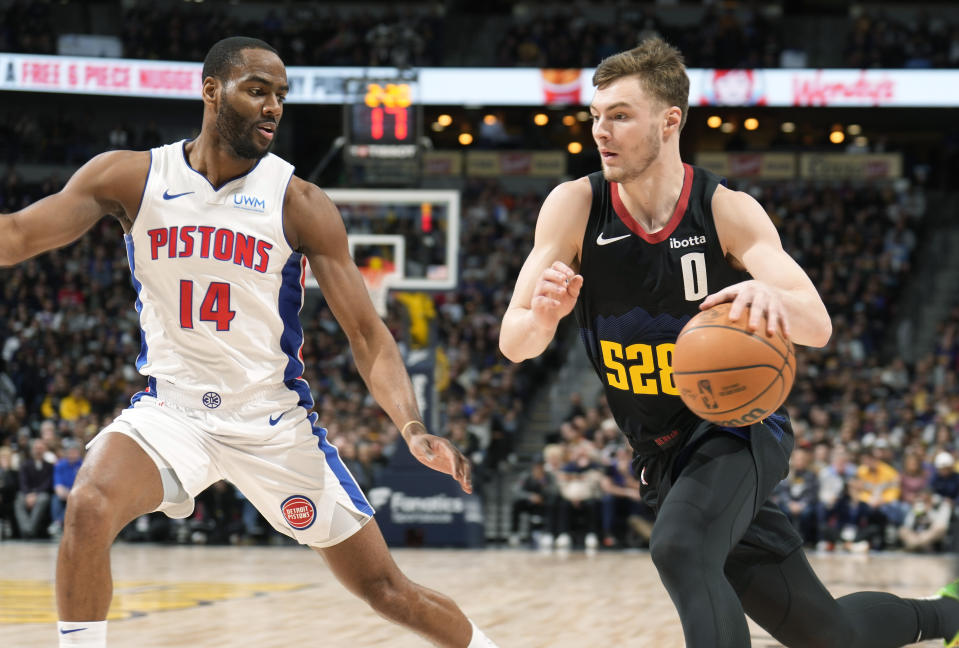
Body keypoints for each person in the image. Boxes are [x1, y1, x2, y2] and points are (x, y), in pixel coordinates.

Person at [0, 37, 496, 648]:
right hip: (173, 412)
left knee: (387, 592)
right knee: (89, 503)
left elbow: (367, 334)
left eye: (280, 96)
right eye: (256, 90)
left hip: (271, 423)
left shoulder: (301, 203)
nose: (272, 107)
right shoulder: (130, 177)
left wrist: (412, 425)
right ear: (211, 90)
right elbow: (17, 237)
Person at [499, 36, 959, 648]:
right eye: (596, 117)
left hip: (740, 427)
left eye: (620, 115)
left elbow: (816, 325)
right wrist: (546, 316)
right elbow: (514, 342)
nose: (600, 132)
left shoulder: (725, 209)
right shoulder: (574, 205)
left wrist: (771, 299)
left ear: (670, 121)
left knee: (681, 551)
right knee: (830, 635)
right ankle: (949, 618)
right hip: (662, 455)